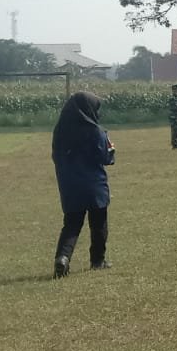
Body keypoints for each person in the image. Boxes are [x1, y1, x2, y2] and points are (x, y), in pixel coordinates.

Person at [52, 91, 115, 278]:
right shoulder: (95, 131)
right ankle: (97, 260)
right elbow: (105, 157)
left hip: (69, 184)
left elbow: (56, 156)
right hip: (94, 184)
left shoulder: (60, 131)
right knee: (98, 224)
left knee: (71, 224)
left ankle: (63, 258)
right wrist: (111, 150)